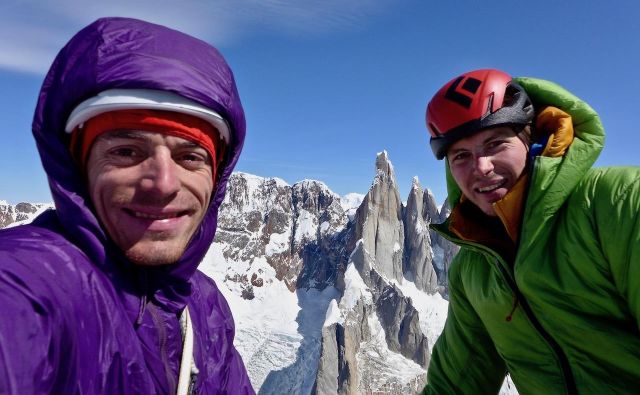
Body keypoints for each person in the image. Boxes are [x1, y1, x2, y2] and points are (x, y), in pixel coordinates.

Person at [0, 17, 255, 394]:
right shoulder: (29, 288)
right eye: (126, 152)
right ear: (78, 166)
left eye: (190, 157)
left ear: (216, 178)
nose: (163, 184)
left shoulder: (205, 308)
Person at [420, 69, 640, 394]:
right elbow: (455, 384)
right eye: (461, 156)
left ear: (533, 140)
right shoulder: (473, 270)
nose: (481, 167)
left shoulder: (618, 204)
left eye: (495, 143)